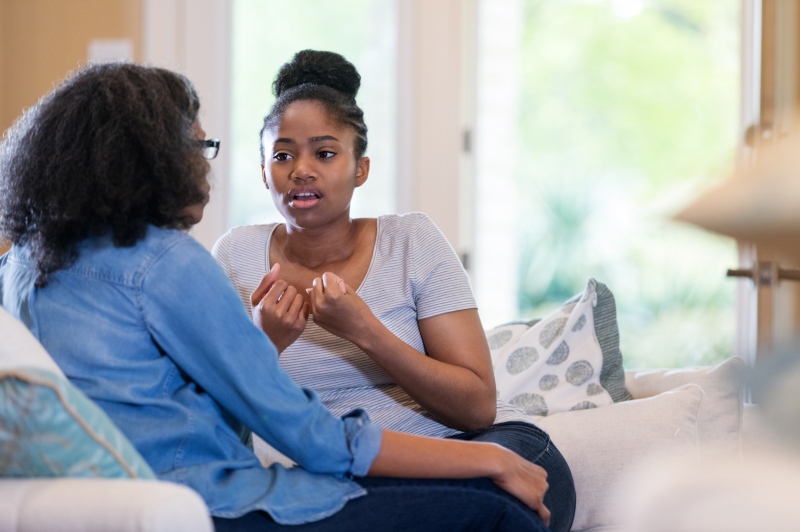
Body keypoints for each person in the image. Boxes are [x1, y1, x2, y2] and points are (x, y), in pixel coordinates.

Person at [0, 62, 552, 532]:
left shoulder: (19, 265)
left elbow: (178, 408)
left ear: (361, 168)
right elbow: (313, 439)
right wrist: (488, 457)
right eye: (199, 147)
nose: (204, 167)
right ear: (151, 157)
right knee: (504, 509)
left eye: (325, 153)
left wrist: (264, 345)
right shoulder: (170, 262)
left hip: (135, 492)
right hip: (212, 502)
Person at [212, 50, 576, 532]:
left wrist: (365, 331)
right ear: (264, 172)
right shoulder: (235, 255)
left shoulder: (411, 240)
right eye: (282, 155)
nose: (301, 169)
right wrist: (265, 344)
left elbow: (476, 407)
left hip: (477, 446)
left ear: (360, 168)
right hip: (352, 470)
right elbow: (218, 409)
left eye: (324, 153)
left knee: (497, 500)